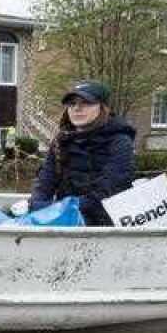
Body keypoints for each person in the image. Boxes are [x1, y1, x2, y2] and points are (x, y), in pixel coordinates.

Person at [29, 80, 136, 226]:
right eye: (72, 104)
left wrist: (62, 208)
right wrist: (37, 205)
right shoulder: (61, 141)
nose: (77, 108)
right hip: (65, 216)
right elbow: (45, 182)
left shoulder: (120, 142)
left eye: (85, 103)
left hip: (104, 221)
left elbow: (108, 192)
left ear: (102, 107)